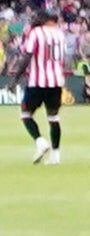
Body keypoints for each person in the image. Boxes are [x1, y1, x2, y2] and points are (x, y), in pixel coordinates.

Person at [18, 16, 66, 162]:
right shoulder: (59, 34)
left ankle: (40, 141)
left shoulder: (35, 33)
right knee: (53, 118)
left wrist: (16, 77)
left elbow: (27, 56)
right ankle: (56, 156)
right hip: (56, 81)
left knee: (25, 114)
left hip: (37, 82)